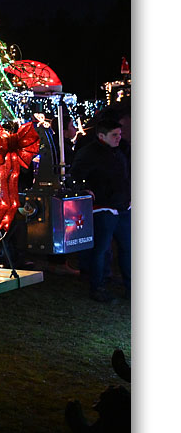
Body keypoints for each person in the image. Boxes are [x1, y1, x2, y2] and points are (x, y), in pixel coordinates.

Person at [69, 117, 131, 302]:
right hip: (104, 208)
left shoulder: (119, 151)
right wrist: (83, 189)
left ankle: (130, 287)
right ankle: (98, 287)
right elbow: (76, 174)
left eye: (119, 134)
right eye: (115, 135)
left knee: (127, 249)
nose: (118, 138)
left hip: (122, 206)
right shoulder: (90, 153)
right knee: (101, 250)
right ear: (102, 135)